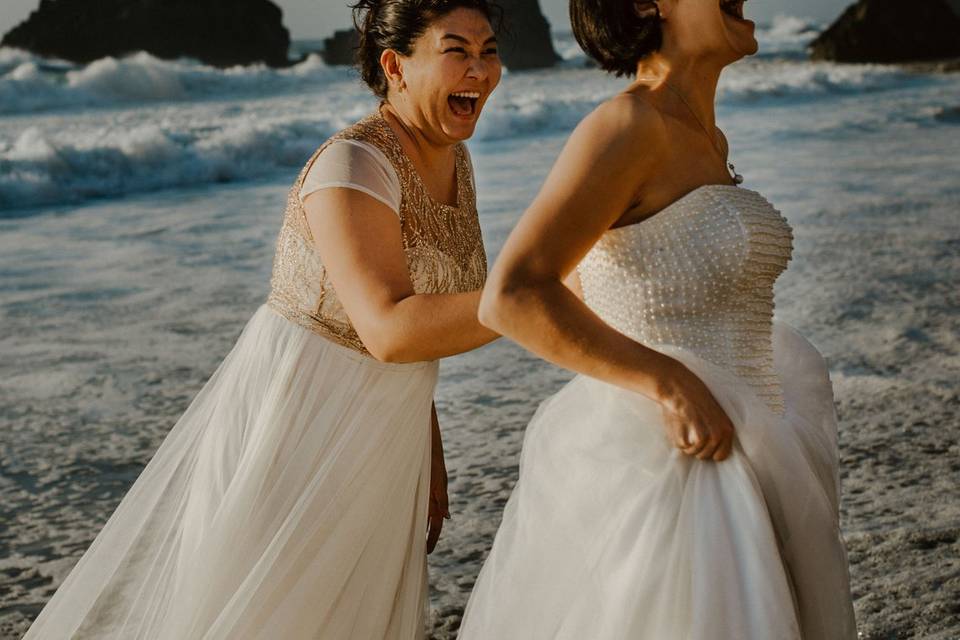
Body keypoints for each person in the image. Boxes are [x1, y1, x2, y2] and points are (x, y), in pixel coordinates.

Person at [23, 1, 502, 638]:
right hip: (297, 427)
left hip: (388, 427)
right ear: (395, 66)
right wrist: (536, 297)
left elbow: (414, 321)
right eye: (456, 50)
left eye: (489, 50)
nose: (480, 69)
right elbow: (388, 326)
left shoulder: (454, 161)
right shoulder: (354, 166)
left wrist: (427, 442)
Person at [457, 0, 857, 638]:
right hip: (674, 462)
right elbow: (511, 294)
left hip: (749, 433)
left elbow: (605, 282)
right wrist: (668, 383)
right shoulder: (628, 124)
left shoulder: (706, 137)